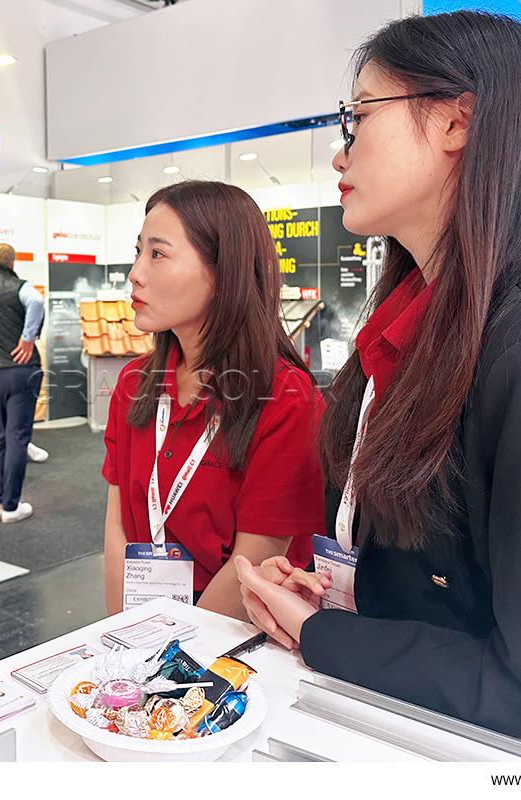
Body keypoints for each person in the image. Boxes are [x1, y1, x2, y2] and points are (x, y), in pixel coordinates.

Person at [236, 11, 521, 742]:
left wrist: (325, 635)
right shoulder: (402, 334)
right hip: (402, 729)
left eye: (359, 115)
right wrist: (333, 597)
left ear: (458, 122)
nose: (340, 150)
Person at [102, 180, 325, 621]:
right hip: (139, 628)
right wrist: (127, 632)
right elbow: (117, 528)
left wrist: (172, 649)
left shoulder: (286, 399)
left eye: (157, 254)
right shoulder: (134, 383)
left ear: (224, 271)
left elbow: (255, 565)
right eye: (138, 252)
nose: (135, 273)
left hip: (234, 638)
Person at [0, 242, 45, 524]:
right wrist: (27, 337)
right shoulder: (19, 286)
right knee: (17, 438)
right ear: (12, 262)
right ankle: (11, 507)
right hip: (22, 371)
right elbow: (36, 302)